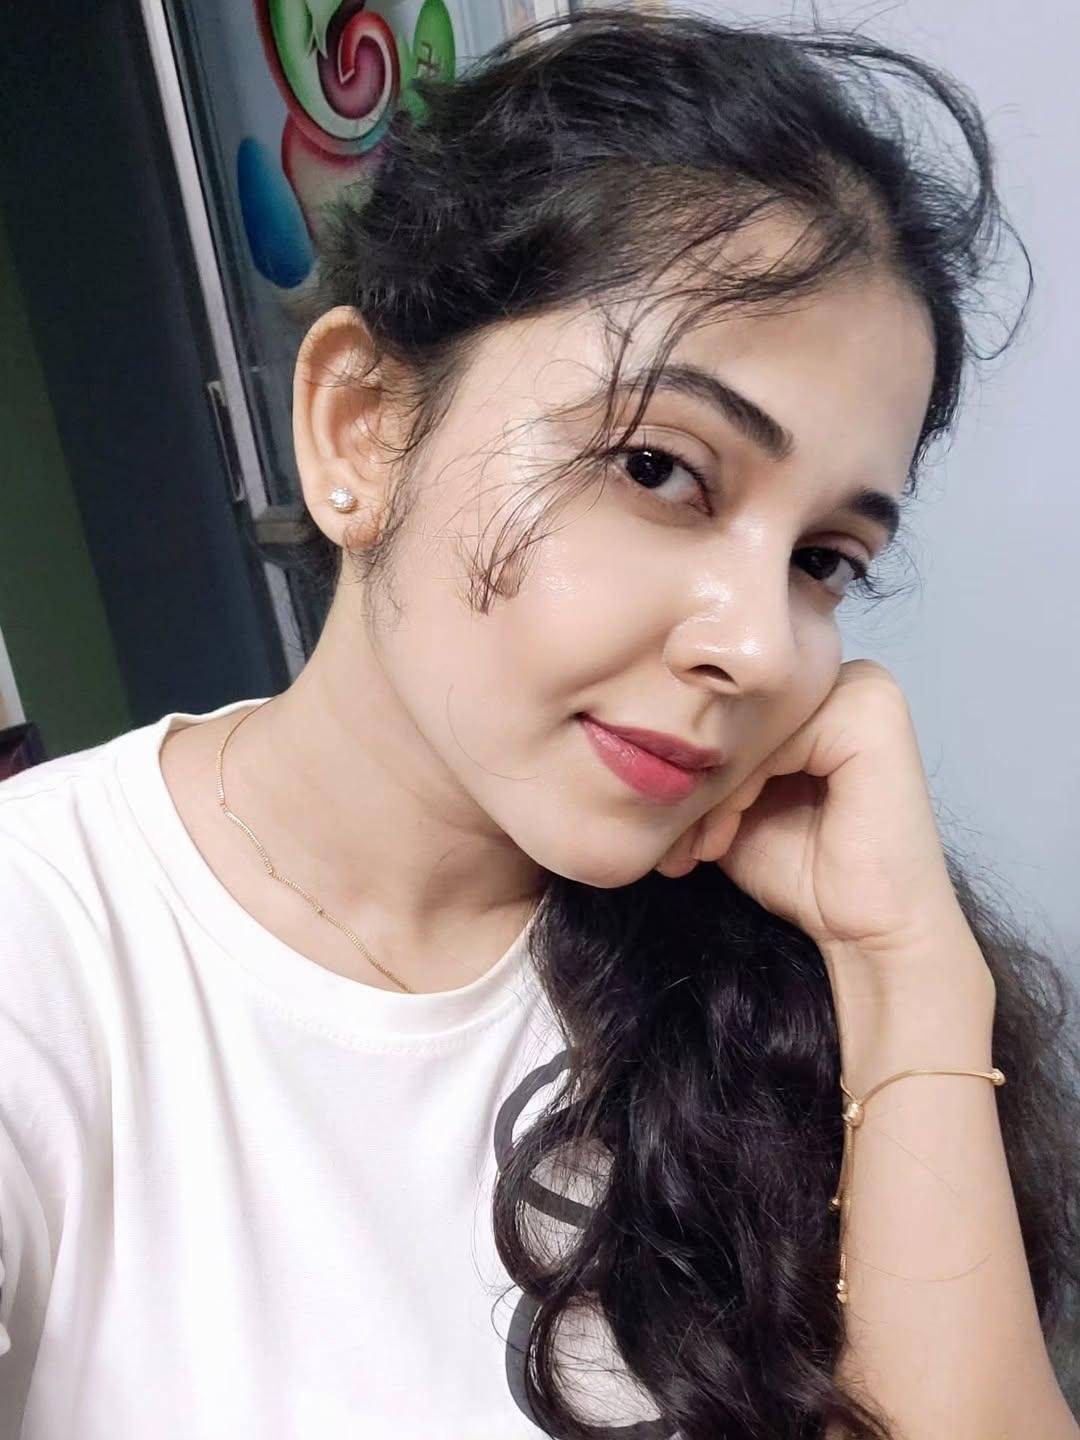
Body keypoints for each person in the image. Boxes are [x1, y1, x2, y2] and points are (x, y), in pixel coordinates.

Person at [1, 7, 1078, 1438]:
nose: (760, 648)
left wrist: (908, 976)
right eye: (661, 469)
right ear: (363, 427)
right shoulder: (45, 954)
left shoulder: (772, 977)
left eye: (825, 559)